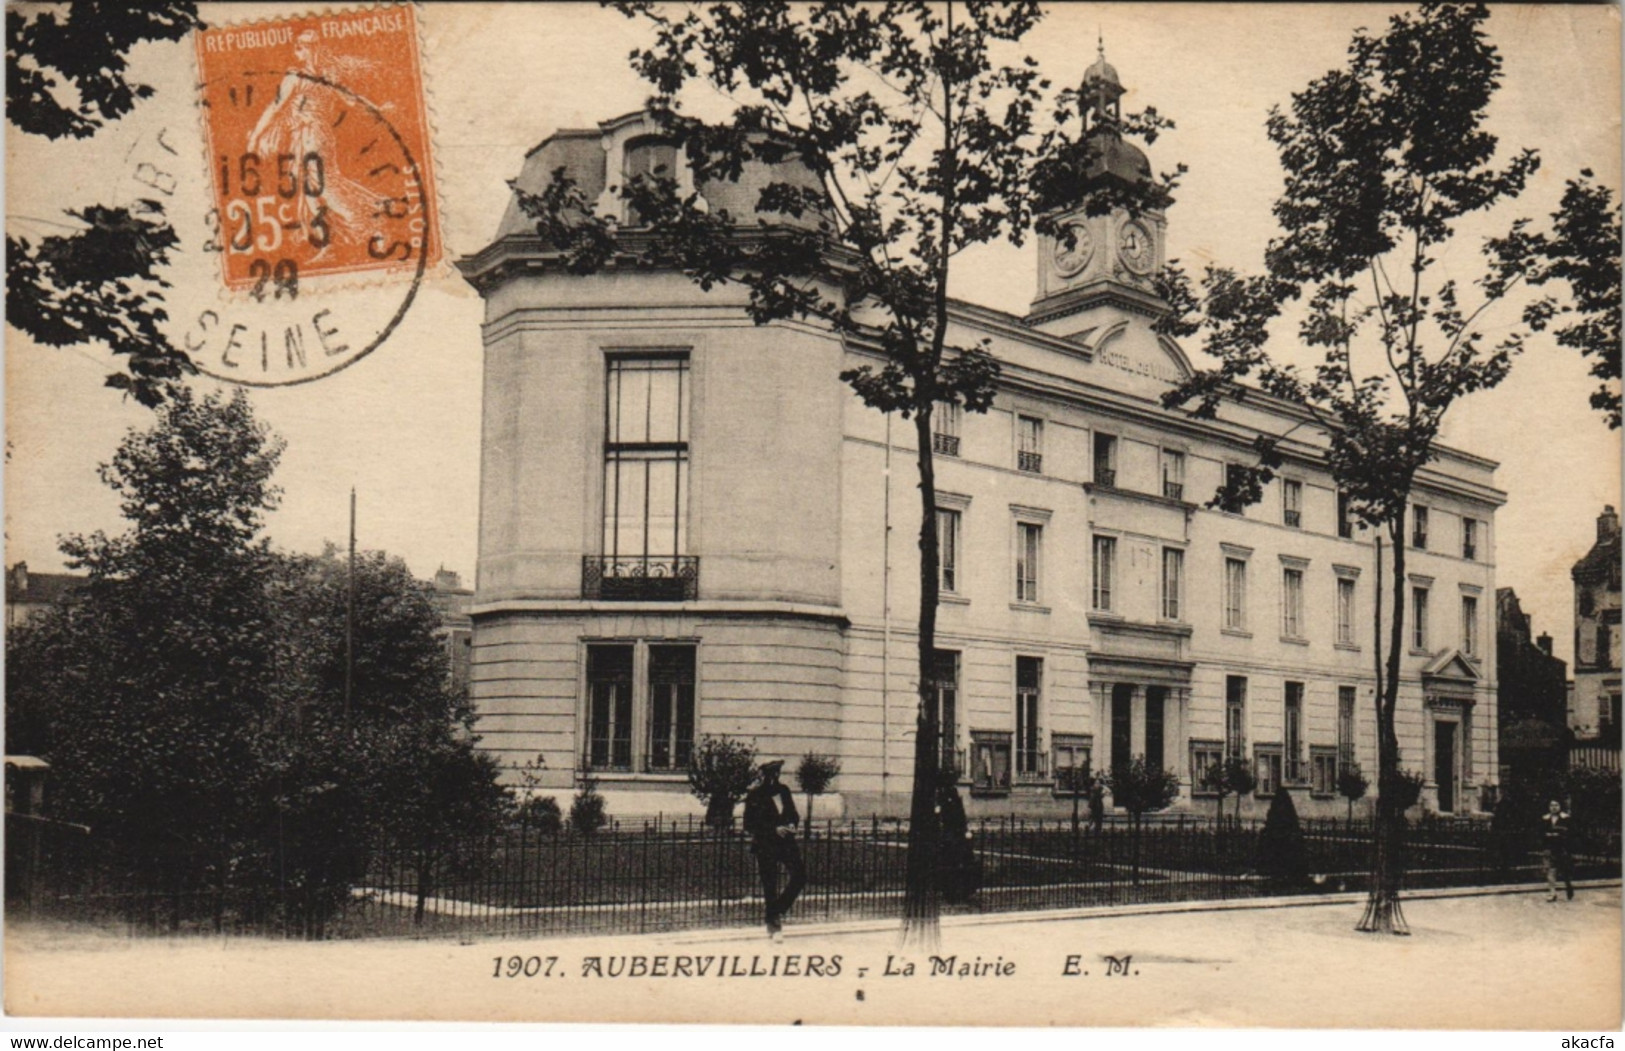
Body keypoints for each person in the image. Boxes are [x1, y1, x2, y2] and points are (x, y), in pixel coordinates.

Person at [742, 759, 805, 940]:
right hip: (766, 844)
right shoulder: (755, 795)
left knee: (800, 876)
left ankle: (776, 910)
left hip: (786, 843)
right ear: (764, 776)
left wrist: (792, 824)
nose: (774, 777)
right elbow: (749, 823)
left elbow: (793, 813)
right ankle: (774, 927)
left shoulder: (784, 791)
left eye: (777, 773)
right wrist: (773, 829)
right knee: (770, 885)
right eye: (770, 774)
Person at [935, 769, 981, 904]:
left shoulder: (953, 794)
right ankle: (953, 892)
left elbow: (959, 815)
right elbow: (942, 816)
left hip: (956, 834)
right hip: (950, 835)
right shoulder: (942, 795)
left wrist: (965, 830)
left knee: (960, 862)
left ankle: (962, 891)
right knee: (952, 863)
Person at [1540, 799, 1574, 901]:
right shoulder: (1544, 819)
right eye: (1551, 805)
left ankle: (1569, 887)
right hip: (1549, 848)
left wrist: (1558, 835)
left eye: (1556, 805)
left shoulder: (1566, 818)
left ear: (1560, 806)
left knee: (1565, 871)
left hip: (1562, 848)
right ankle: (1552, 892)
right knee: (1550, 870)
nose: (1553, 807)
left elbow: (1570, 833)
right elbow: (1540, 833)